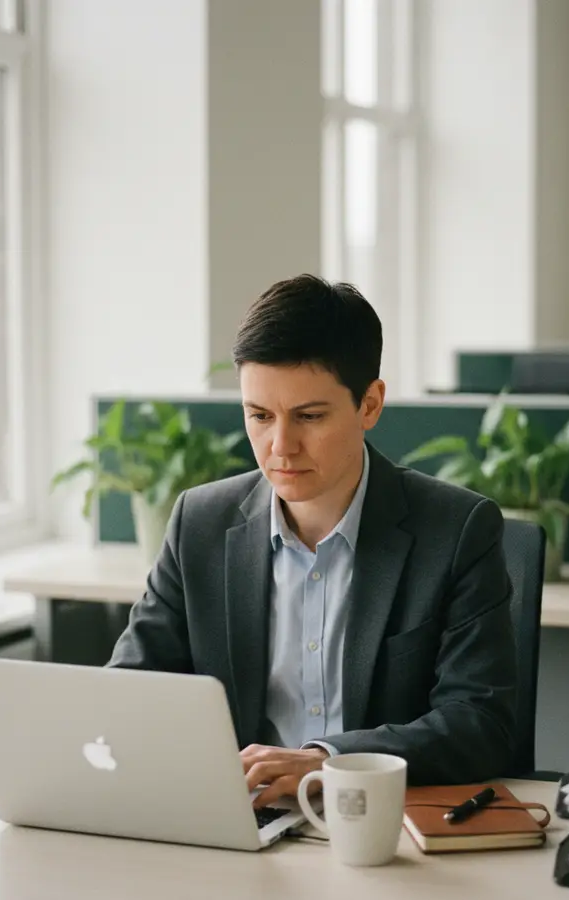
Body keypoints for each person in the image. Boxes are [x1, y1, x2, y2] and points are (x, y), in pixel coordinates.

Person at [108, 274, 518, 807]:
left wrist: (329, 759)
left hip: (378, 823)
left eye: (309, 416)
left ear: (369, 405)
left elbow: (479, 722)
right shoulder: (199, 523)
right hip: (241, 816)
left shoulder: (458, 529)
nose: (281, 446)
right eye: (259, 416)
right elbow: (129, 690)